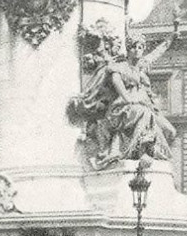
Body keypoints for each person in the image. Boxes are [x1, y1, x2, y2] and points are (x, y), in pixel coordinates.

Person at [72, 36, 176, 167]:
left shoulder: (141, 66)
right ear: (128, 49)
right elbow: (123, 93)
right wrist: (137, 100)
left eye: (140, 47)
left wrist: (171, 38)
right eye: (134, 47)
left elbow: (156, 53)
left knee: (170, 131)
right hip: (121, 108)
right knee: (144, 113)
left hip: (144, 106)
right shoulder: (119, 67)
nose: (137, 50)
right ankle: (142, 150)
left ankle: (153, 152)